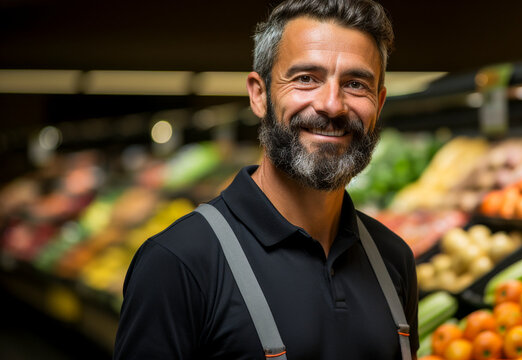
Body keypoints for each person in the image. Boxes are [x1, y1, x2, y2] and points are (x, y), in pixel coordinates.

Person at [113, 0, 419, 359]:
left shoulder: (392, 258)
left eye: (355, 84)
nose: (333, 105)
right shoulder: (178, 262)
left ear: (379, 104)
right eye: (306, 79)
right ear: (259, 95)